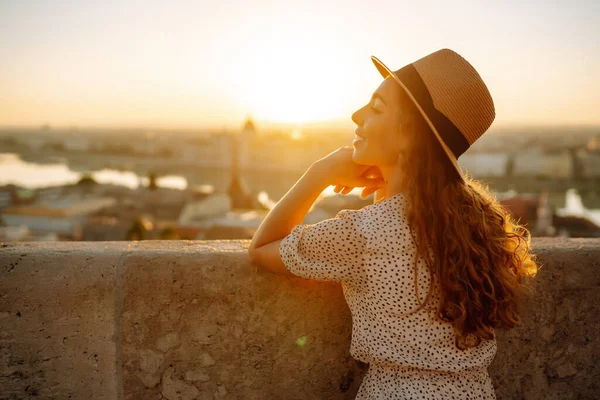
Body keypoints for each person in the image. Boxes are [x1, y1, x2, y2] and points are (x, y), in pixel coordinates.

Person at [248, 48, 538, 399]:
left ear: (409, 136)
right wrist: (390, 178)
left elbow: (262, 249)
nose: (356, 116)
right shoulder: (477, 222)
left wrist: (319, 173)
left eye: (376, 108)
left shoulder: (366, 233)